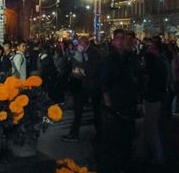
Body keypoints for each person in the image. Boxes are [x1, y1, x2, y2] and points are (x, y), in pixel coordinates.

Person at [98, 29, 138, 173]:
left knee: (126, 140)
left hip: (127, 104)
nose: (122, 41)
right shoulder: (109, 59)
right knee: (113, 141)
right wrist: (108, 102)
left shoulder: (129, 58)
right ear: (113, 40)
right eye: (119, 38)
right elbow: (103, 83)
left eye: (124, 38)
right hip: (114, 106)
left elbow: (135, 79)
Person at [62, 36, 102, 142]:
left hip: (92, 85)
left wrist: (81, 69)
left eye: (80, 44)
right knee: (79, 109)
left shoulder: (93, 52)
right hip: (85, 85)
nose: (79, 46)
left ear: (85, 43)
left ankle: (100, 134)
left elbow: (91, 69)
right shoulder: (85, 51)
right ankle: (74, 133)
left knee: (95, 111)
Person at [137, 37, 169, 165]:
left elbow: (153, 80)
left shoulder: (157, 63)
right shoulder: (162, 61)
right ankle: (141, 152)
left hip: (153, 97)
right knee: (147, 126)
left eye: (151, 48)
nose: (149, 49)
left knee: (152, 127)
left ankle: (159, 156)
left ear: (156, 50)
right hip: (156, 96)